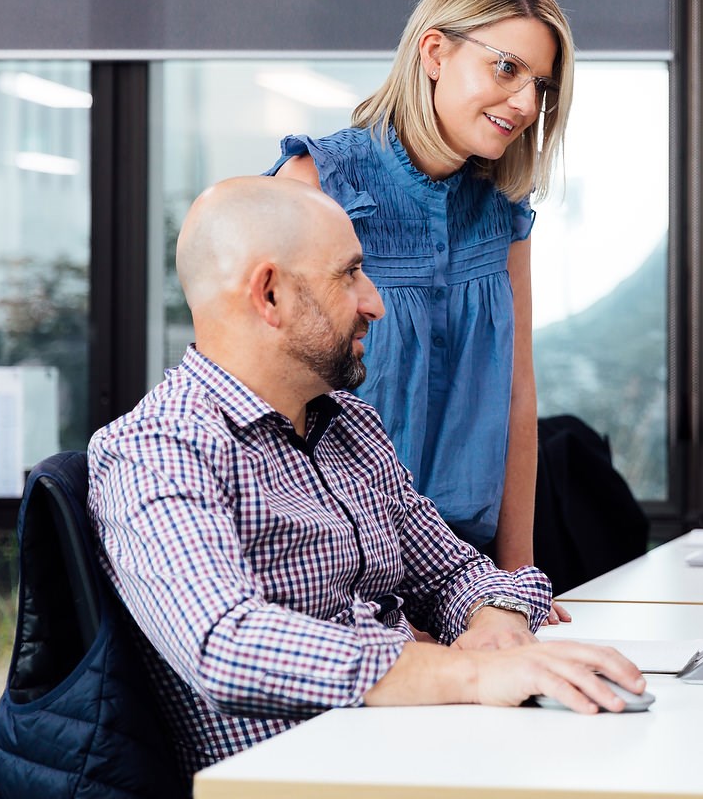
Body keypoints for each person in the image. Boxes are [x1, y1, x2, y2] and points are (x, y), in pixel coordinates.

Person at [88, 176, 642, 778]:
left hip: (425, 750)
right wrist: (467, 673)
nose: (374, 301)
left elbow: (456, 571)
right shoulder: (157, 449)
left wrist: (497, 629)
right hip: (314, 780)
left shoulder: (350, 425)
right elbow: (225, 644)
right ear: (268, 295)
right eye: (348, 275)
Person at [266, 0, 572, 618]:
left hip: (460, 572)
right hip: (334, 581)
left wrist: (518, 583)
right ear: (435, 53)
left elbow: (519, 392)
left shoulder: (503, 211)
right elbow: (266, 401)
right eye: (506, 68)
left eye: (540, 85)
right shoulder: (317, 183)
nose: (525, 103)